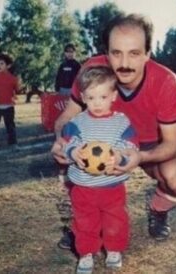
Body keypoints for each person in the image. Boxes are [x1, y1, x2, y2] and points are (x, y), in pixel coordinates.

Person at [52, 13, 176, 246]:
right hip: (97, 140)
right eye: (116, 53)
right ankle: (83, 224)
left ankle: (158, 209)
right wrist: (60, 140)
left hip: (149, 145)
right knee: (75, 163)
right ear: (106, 53)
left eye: (134, 53)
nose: (125, 63)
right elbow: (66, 117)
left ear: (148, 53)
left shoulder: (166, 81)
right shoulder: (92, 70)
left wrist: (139, 156)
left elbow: (171, 143)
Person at [61, 65, 139, 274]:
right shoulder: (77, 122)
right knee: (85, 221)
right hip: (83, 187)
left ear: (113, 96)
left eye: (102, 97)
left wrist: (121, 155)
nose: (97, 103)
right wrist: (73, 152)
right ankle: (86, 253)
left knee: (115, 219)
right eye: (91, 97)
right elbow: (67, 143)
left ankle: (114, 249)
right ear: (83, 98)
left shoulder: (121, 123)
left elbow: (131, 146)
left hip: (112, 186)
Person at [54, 43, 81, 184]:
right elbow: (58, 78)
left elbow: (79, 79)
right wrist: (57, 88)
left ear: (74, 53)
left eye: (71, 52)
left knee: (72, 114)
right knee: (62, 113)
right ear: (64, 53)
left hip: (72, 90)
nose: (69, 54)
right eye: (67, 52)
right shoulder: (62, 65)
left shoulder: (77, 65)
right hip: (62, 90)